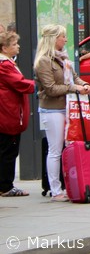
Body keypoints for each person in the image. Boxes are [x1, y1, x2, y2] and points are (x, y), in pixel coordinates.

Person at [33, 24, 90, 201]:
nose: (65, 40)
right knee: (55, 149)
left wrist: (84, 84)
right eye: (62, 37)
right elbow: (50, 88)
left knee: (68, 147)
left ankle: (69, 186)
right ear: (53, 39)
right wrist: (75, 88)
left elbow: (74, 76)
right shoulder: (44, 61)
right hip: (52, 109)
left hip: (67, 106)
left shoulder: (63, 59)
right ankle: (55, 189)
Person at [0, 29, 35, 198]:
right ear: (4, 48)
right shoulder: (4, 65)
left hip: (7, 113)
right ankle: (6, 186)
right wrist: (37, 84)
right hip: (8, 115)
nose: (18, 46)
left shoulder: (7, 63)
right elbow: (20, 84)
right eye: (14, 44)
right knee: (9, 152)